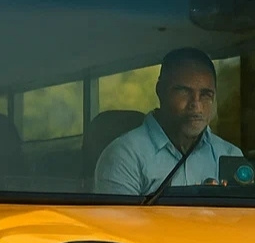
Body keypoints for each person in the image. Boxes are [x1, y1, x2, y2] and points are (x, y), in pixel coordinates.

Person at [94, 47, 242, 195]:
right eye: (184, 91)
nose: (196, 105)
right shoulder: (125, 156)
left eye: (205, 94)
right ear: (160, 90)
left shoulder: (229, 155)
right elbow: (118, 219)